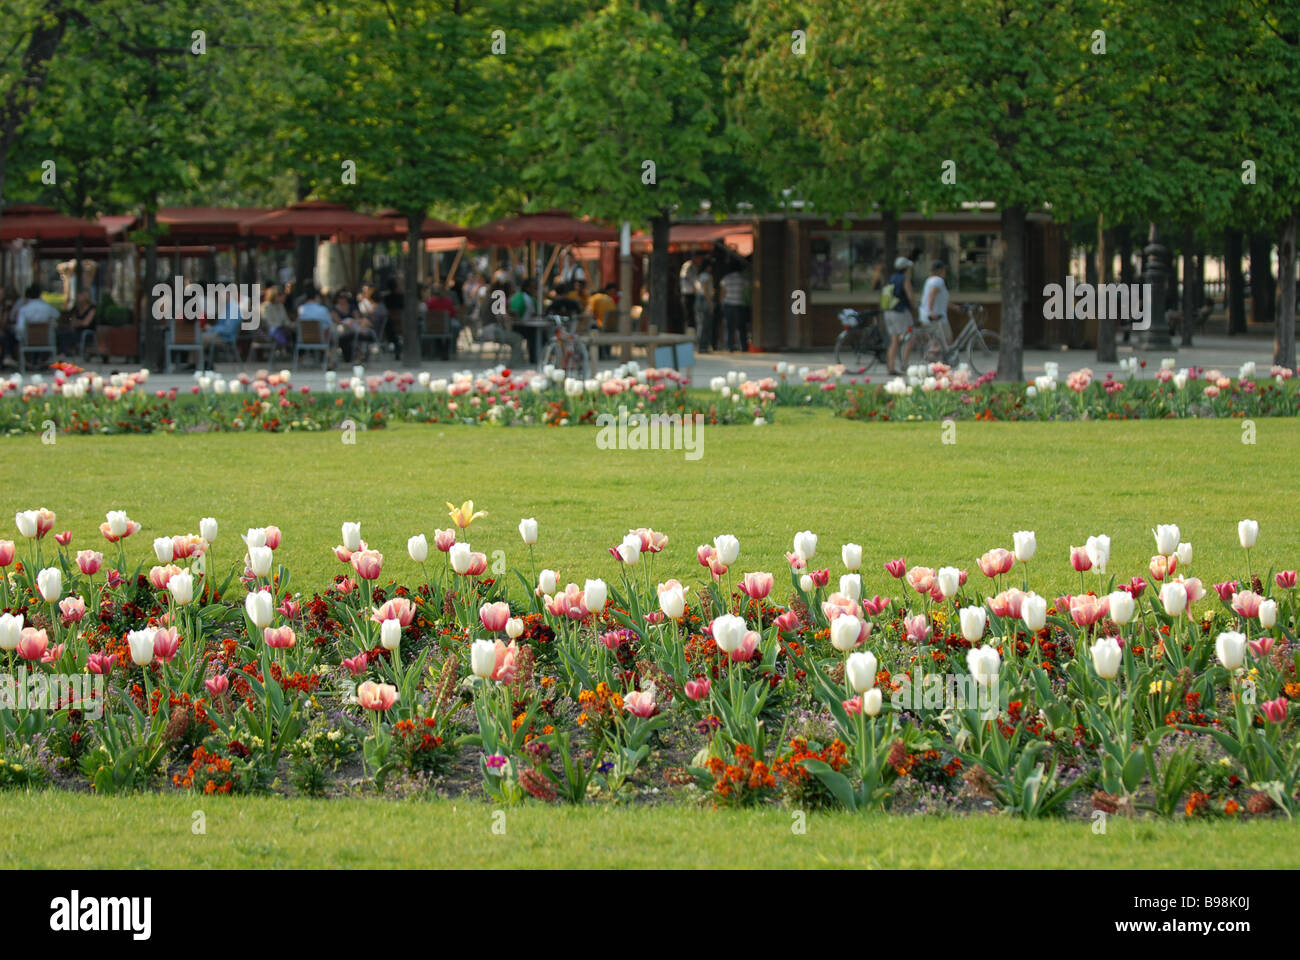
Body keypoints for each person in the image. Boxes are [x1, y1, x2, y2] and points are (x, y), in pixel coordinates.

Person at [905, 260, 954, 366]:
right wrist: (931, 311)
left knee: (938, 340)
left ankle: (938, 361)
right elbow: (932, 295)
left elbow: (941, 299)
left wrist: (956, 308)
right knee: (946, 340)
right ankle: (937, 362)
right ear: (940, 270)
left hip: (926, 315)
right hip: (936, 317)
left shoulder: (930, 280)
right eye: (944, 269)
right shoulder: (938, 281)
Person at [882, 257, 914, 375]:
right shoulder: (905, 278)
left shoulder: (892, 278)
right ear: (906, 268)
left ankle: (891, 367)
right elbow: (910, 295)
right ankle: (904, 364)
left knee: (894, 340)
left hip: (889, 312)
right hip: (900, 312)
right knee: (911, 337)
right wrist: (914, 305)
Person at [720, 259, 750, 352]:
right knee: (741, 327)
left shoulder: (726, 278)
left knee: (729, 327)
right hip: (739, 304)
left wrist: (722, 304)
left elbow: (723, 293)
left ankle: (729, 346)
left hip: (728, 304)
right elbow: (747, 289)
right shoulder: (743, 278)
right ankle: (743, 346)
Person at [57, 290, 97, 358]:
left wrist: (78, 322)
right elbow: (72, 322)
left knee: (67, 335)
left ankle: (65, 353)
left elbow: (86, 323)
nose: (78, 298)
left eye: (80, 296)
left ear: (85, 297)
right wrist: (79, 322)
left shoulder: (92, 309)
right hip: (76, 330)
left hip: (87, 332)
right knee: (62, 332)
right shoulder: (77, 308)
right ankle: (63, 352)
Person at [694, 258, 715, 351]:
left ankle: (700, 346)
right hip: (705, 299)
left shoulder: (699, 276)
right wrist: (710, 303)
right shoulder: (706, 276)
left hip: (699, 299)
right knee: (704, 324)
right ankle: (702, 346)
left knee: (700, 323)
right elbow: (706, 290)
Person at [680, 254, 701, 329]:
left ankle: (692, 331)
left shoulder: (695, 267)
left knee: (694, 315)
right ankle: (689, 331)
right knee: (689, 315)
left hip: (694, 294)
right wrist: (697, 287)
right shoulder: (688, 266)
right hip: (687, 293)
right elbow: (689, 278)